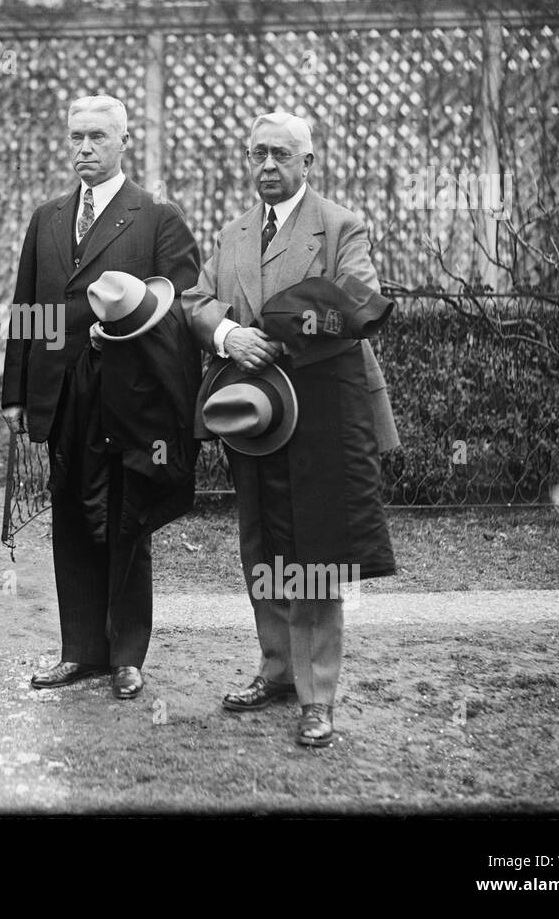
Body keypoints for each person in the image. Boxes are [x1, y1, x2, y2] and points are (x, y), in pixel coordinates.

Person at [181, 111, 398, 747]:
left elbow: (357, 300)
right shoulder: (234, 232)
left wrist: (272, 333)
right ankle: (275, 670)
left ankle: (316, 693)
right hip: (252, 412)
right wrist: (228, 334)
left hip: (324, 411)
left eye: (280, 154)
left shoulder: (340, 225)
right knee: (263, 543)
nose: (267, 166)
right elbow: (195, 302)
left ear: (308, 162)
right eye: (257, 155)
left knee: (318, 551)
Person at [2, 94, 200, 700]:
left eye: (96, 137)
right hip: (62, 395)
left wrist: (120, 327)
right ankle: (79, 650)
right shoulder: (48, 216)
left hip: (128, 395)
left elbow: (180, 309)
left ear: (122, 141)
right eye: (75, 137)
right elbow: (27, 308)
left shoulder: (156, 216)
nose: (83, 148)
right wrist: (15, 393)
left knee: (124, 519)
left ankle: (126, 655)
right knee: (70, 520)